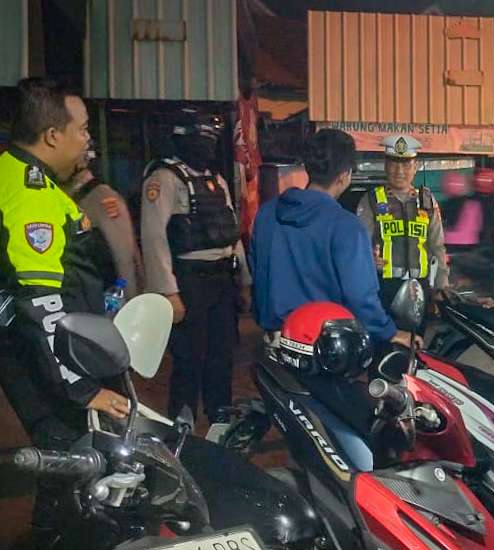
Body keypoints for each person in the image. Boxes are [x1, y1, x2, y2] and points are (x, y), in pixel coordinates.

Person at [0, 77, 130, 550]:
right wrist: (82, 389)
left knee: (64, 461)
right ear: (53, 135)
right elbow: (41, 305)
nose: (87, 140)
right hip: (44, 354)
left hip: (31, 345)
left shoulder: (9, 170)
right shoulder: (31, 197)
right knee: (71, 460)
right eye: (82, 129)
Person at [251, 129, 414, 348]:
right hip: (324, 346)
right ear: (344, 175)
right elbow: (360, 296)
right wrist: (388, 332)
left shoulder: (267, 213)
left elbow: (258, 274)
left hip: (275, 341)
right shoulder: (346, 226)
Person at [141, 115, 251, 421]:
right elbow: (153, 237)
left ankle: (220, 419)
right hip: (189, 283)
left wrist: (244, 281)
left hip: (222, 280)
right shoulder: (163, 179)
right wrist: (168, 292)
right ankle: (182, 424)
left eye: (211, 138)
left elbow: (230, 234)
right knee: (188, 359)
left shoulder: (217, 180)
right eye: (200, 137)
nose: (206, 145)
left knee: (222, 357)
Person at [355, 134, 450, 308]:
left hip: (420, 287)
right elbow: (359, 247)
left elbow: (437, 246)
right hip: (383, 288)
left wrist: (441, 287)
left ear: (415, 167)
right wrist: (369, 258)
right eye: (394, 164)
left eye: (406, 165)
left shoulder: (427, 201)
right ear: (385, 166)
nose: (399, 171)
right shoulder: (371, 201)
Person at [64, 145, 143, 293]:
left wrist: (127, 298)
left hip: (105, 294)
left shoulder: (102, 198)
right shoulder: (65, 196)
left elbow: (123, 257)